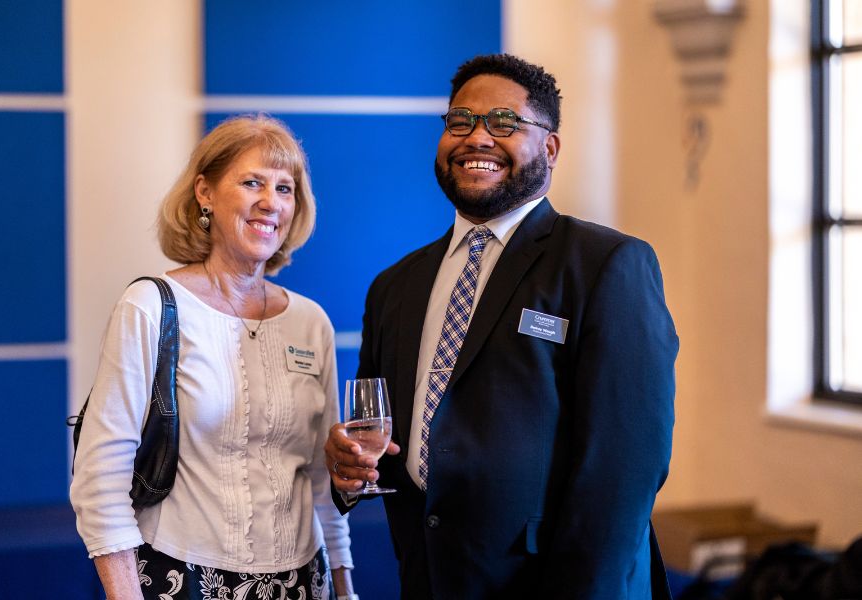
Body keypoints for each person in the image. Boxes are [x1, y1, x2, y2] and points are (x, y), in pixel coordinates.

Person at [325, 54, 678, 599]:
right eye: (460, 121)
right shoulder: (394, 285)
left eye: (504, 123)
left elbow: (624, 472)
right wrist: (349, 472)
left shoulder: (605, 265)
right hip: (430, 579)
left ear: (550, 148)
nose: (477, 138)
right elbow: (380, 443)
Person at [71, 115, 358, 600]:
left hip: (304, 583)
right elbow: (100, 478)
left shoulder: (311, 322)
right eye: (252, 183)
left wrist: (345, 587)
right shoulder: (150, 307)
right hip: (182, 579)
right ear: (205, 192)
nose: (271, 202)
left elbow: (317, 478)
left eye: (285, 188)